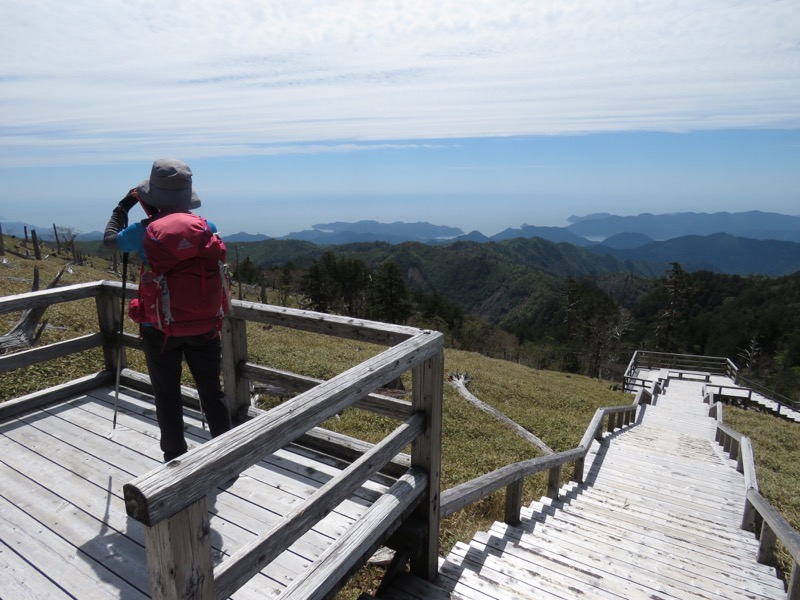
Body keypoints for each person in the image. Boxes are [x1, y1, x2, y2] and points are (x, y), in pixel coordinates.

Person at [104, 158, 232, 462]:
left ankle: (174, 457)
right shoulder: (206, 227)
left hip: (158, 328)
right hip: (204, 325)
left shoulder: (140, 232)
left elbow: (110, 240)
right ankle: (228, 456)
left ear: (151, 197)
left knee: (167, 393)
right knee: (212, 392)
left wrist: (122, 208)